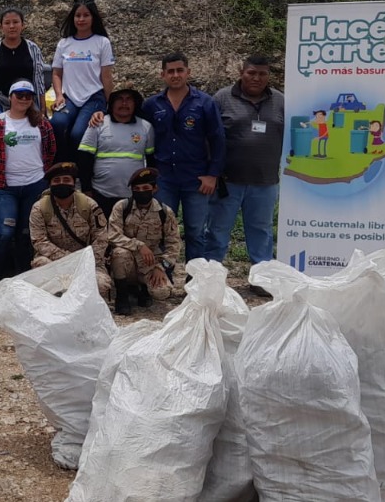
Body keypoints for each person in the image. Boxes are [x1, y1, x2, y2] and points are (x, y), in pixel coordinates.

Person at [204, 57, 285, 285]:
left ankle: (262, 280)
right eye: (251, 73)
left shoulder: (280, 101)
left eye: (262, 74)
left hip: (265, 181)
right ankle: (211, 280)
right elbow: (208, 136)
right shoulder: (222, 98)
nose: (256, 78)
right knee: (217, 232)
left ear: (268, 75)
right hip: (227, 181)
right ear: (241, 72)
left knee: (262, 232)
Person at [142, 52, 226, 262]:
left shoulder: (205, 103)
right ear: (162, 75)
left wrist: (212, 175)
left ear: (188, 72)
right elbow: (139, 136)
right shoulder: (152, 105)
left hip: (196, 178)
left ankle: (195, 280)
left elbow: (218, 140)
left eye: (180, 70)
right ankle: (163, 279)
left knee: (196, 232)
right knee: (161, 229)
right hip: (163, 179)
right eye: (170, 71)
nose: (176, 75)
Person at [0, 80, 56, 281]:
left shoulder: (41, 122)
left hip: (35, 185)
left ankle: (24, 277)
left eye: (28, 96)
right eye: (19, 95)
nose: (24, 99)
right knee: (4, 233)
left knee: (26, 234)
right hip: (6, 187)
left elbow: (51, 149)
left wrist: (43, 171)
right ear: (10, 97)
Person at [29, 162, 111, 301]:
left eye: (66, 180)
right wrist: (68, 261)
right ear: (50, 185)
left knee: (101, 284)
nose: (62, 183)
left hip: (86, 262)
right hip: (54, 262)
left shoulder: (89, 205)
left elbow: (101, 238)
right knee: (41, 266)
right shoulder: (39, 208)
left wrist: (86, 262)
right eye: (57, 181)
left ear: (74, 183)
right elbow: (39, 241)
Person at [108, 168, 184, 314]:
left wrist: (161, 267)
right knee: (119, 253)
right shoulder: (122, 207)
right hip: (127, 260)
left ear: (154, 189)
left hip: (150, 263)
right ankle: (122, 296)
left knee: (162, 292)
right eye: (136, 189)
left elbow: (174, 244)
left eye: (145, 188)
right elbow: (113, 235)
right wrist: (138, 245)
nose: (141, 192)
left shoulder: (164, 212)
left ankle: (143, 289)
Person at [50, 0, 115, 162]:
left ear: (93, 18)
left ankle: (80, 170)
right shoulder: (64, 44)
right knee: (57, 123)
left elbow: (106, 76)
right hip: (69, 98)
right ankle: (62, 166)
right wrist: (59, 95)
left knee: (78, 133)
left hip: (93, 97)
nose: (81, 19)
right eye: (77, 15)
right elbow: (57, 73)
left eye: (86, 15)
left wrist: (110, 104)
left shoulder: (102, 42)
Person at [77, 87, 154, 217]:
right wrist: (86, 189)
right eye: (119, 99)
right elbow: (84, 158)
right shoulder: (98, 124)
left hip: (134, 196)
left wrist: (150, 186)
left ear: (135, 103)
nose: (124, 103)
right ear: (112, 102)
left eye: (129, 99)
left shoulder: (146, 127)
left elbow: (151, 160)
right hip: (100, 194)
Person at [0, 8, 48, 124]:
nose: (11, 26)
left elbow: (39, 81)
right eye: (7, 23)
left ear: (23, 25)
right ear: (1, 27)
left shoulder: (33, 49)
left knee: (40, 126)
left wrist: (42, 109)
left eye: (16, 22)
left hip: (26, 102)